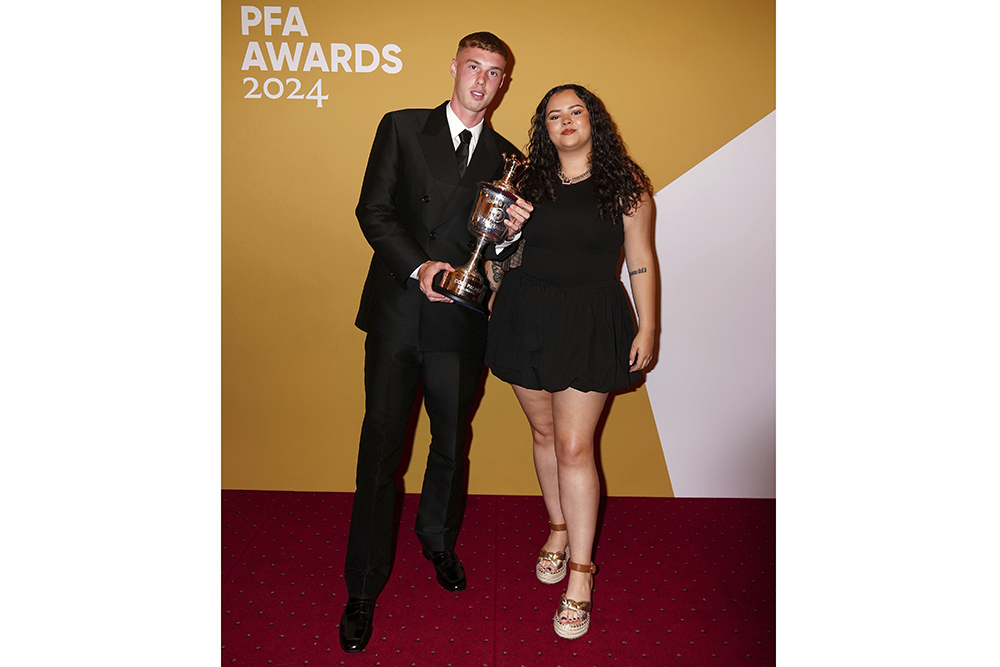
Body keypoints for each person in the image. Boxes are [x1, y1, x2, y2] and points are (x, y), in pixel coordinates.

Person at [338, 32, 532, 654]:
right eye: (473, 66)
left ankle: (438, 542)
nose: (481, 80)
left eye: (494, 73)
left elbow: (497, 258)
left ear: (504, 83)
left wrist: (507, 238)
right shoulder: (400, 127)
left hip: (460, 322)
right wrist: (420, 268)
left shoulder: (508, 161)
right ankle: (362, 586)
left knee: (450, 443)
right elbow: (374, 212)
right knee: (381, 448)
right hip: (400, 311)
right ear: (453, 67)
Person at [485, 83, 656, 640]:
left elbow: (641, 263)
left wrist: (649, 324)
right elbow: (498, 262)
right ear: (544, 127)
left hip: (588, 321)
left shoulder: (625, 186)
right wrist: (498, 248)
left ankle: (581, 577)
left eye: (575, 111)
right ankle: (558, 528)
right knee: (542, 432)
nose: (565, 122)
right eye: (553, 115)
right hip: (525, 313)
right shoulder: (526, 181)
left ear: (593, 120)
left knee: (574, 446)